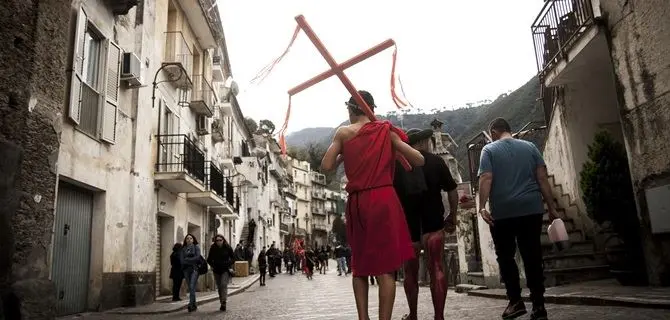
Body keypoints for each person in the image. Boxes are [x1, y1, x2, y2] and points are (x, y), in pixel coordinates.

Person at [321, 90, 425, 320]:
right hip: (385, 200)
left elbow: (326, 165)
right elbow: (419, 159)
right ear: (371, 108)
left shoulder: (344, 133)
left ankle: (363, 318)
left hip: (358, 202)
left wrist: (342, 155)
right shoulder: (385, 130)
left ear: (350, 109)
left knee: (360, 264)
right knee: (386, 267)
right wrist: (393, 143)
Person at [478, 118, 558, 320]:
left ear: (494, 132)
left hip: (504, 212)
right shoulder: (530, 147)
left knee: (506, 257)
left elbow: (486, 178)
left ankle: (515, 301)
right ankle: (539, 306)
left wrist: (481, 206)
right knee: (532, 255)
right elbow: (542, 179)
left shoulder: (489, 151)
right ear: (509, 130)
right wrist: (551, 207)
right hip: (531, 209)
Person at [394, 128, 459, 320]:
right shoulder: (436, 161)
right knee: (437, 267)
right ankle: (439, 316)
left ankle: (413, 314)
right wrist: (452, 216)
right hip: (434, 225)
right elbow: (452, 191)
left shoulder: (397, 165)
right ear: (422, 142)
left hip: (408, 228)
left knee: (409, 272)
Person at [207, 234, 234, 311]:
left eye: (220, 240)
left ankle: (224, 302)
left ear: (223, 240)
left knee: (223, 285)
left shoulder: (227, 247)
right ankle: (221, 302)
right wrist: (212, 265)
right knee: (219, 287)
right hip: (216, 270)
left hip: (225, 270)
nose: (218, 242)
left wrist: (228, 264)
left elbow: (233, 258)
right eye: (217, 240)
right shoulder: (213, 248)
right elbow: (208, 259)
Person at [180, 233, 202, 312]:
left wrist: (188, 260)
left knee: (192, 286)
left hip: (194, 269)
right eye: (187, 238)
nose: (189, 240)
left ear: (193, 240)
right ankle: (194, 305)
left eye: (191, 238)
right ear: (185, 240)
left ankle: (190, 304)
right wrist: (189, 260)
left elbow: (197, 257)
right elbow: (182, 260)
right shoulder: (183, 249)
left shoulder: (196, 247)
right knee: (190, 288)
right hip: (186, 270)